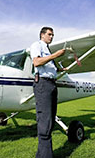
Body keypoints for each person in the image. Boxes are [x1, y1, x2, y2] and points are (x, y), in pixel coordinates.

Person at [30, 27, 65, 158]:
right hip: (43, 84)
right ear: (42, 35)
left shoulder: (47, 49)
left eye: (53, 35)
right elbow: (37, 62)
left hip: (51, 84)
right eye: (49, 34)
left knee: (49, 121)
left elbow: (50, 68)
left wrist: (61, 69)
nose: (52, 37)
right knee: (45, 122)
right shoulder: (37, 45)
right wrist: (56, 55)